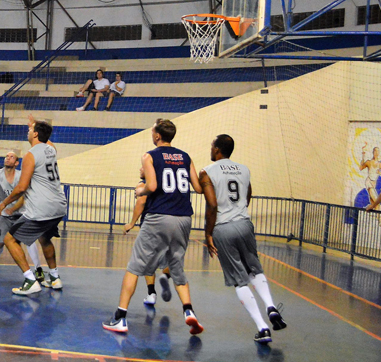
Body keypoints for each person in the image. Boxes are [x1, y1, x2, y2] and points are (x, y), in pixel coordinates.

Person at [102, 119, 204, 335]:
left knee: (134, 267)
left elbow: (153, 186)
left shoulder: (149, 155)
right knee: (176, 265)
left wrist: (141, 192)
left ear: (157, 136)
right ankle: (189, 311)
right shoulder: (185, 157)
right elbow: (198, 187)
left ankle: (120, 318)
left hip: (160, 216)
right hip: (184, 217)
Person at [199, 134, 287, 344]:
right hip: (245, 224)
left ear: (218, 150)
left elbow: (212, 205)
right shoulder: (244, 169)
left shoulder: (207, 172)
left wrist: (208, 233)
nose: (211, 149)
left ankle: (262, 327)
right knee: (255, 269)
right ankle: (271, 307)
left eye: (212, 146)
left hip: (223, 227)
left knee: (240, 280)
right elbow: (247, 196)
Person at [0, 118, 66, 294]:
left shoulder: (31, 155)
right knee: (44, 238)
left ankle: (29, 279)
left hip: (41, 208)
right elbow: (46, 138)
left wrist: (5, 202)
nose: (28, 131)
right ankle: (55, 277)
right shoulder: (51, 149)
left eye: (31, 129)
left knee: (9, 239)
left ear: (35, 134)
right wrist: (37, 126)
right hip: (59, 206)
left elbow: (21, 187)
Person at [123, 171, 172, 306]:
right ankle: (166, 277)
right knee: (168, 262)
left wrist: (131, 223)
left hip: (150, 224)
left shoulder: (145, 184)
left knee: (147, 260)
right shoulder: (164, 184)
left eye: (142, 167)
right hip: (168, 224)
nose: (139, 169)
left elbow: (141, 201)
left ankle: (151, 293)